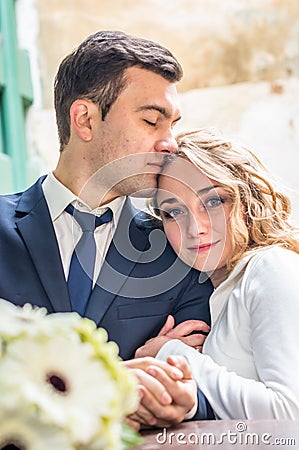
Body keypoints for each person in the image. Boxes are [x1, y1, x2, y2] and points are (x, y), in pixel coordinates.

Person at [0, 31, 213, 427]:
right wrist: (117, 380)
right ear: (84, 119)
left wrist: (180, 392)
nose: (170, 143)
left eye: (173, 124)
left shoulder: (181, 250)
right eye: (152, 120)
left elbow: (206, 390)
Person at [137, 127, 299, 419]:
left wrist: (170, 353)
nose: (194, 228)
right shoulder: (219, 290)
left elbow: (290, 413)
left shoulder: (271, 268)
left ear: (248, 200)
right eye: (173, 212)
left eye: (212, 202)